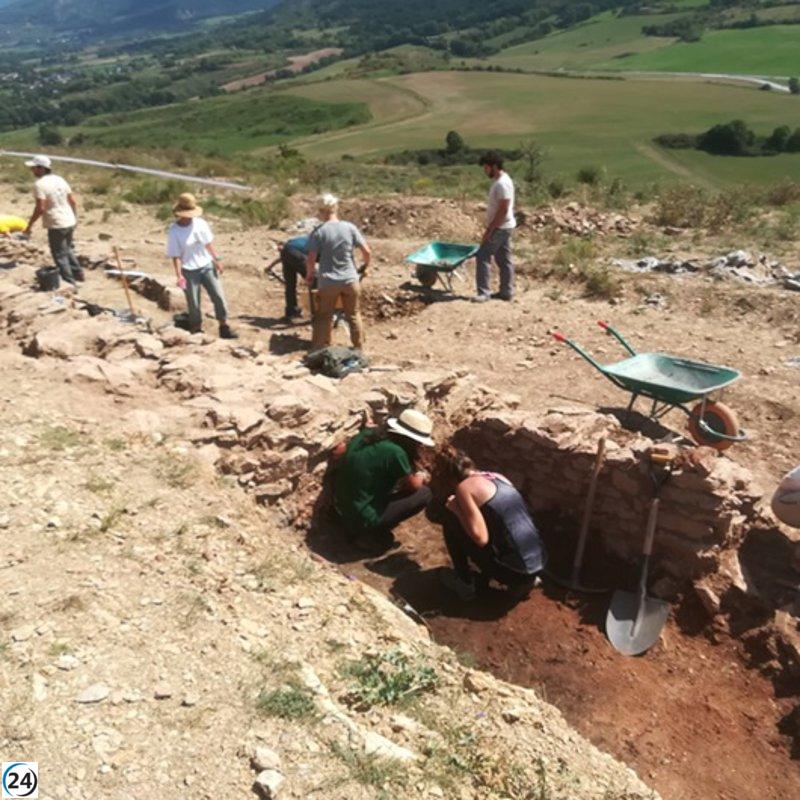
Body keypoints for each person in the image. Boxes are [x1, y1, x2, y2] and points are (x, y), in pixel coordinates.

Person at [439, 451, 546, 601]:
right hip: (539, 562)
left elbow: (481, 538)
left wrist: (456, 509)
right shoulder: (497, 477)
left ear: (452, 478)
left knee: (451, 519)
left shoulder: (464, 487)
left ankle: (464, 582)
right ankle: (526, 580)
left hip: (515, 572)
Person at [334, 409, 434, 552]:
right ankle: (367, 533)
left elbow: (340, 452)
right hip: (361, 514)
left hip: (341, 504)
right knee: (425, 493)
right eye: (418, 442)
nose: (420, 446)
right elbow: (414, 486)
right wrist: (422, 474)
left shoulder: (367, 434)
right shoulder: (396, 452)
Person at [166, 193, 237, 339]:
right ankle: (196, 329)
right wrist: (179, 275)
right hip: (189, 270)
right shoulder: (174, 231)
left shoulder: (200, 223)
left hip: (206, 265)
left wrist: (216, 259)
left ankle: (224, 326)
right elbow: (176, 256)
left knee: (218, 296)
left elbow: (208, 244)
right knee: (194, 303)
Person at [306, 194, 370, 352]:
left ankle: (320, 349)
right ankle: (359, 349)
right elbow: (367, 252)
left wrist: (309, 275)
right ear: (336, 208)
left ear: (321, 211)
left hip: (328, 282)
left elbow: (311, 259)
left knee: (324, 316)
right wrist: (364, 267)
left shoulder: (318, 232)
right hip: (350, 280)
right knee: (353, 314)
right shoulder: (350, 228)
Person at [23, 155, 84, 287]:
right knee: (67, 249)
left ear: (41, 168)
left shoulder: (39, 184)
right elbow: (72, 201)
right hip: (69, 220)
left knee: (59, 254)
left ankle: (69, 282)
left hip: (56, 223)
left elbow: (40, 208)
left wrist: (29, 225)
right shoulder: (60, 179)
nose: (31, 170)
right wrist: (74, 218)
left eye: (33, 168)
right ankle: (78, 273)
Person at [474, 151, 516, 303]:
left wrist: (490, 229)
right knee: (504, 259)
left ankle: (483, 293)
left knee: (482, 255)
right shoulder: (501, 181)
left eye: (486, 167)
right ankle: (506, 291)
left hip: (500, 226)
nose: (485, 171)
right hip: (505, 225)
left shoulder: (502, 184)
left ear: (494, 166)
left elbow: (503, 210)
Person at [266, 234, 313, 322]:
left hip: (288, 253)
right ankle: (318, 312)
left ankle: (291, 312)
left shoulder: (292, 244)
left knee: (290, 285)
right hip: (295, 254)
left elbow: (285, 255)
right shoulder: (319, 244)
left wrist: (270, 267)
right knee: (315, 281)